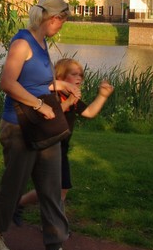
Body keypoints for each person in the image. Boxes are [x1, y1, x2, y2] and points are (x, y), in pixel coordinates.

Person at [0, 0, 84, 250]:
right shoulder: (22, 43)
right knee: (14, 184)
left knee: (51, 188)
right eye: (62, 21)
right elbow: (8, 82)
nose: (62, 26)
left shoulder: (41, 43)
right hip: (18, 125)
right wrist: (39, 105)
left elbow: (37, 82)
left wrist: (61, 85)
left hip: (42, 125)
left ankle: (54, 249)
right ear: (52, 19)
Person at [14, 58, 114, 225]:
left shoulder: (71, 97)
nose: (79, 78)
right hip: (48, 147)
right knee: (53, 190)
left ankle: (21, 204)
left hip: (62, 148)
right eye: (73, 74)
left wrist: (102, 96)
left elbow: (89, 112)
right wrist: (68, 102)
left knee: (61, 189)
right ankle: (55, 225)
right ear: (60, 77)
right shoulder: (52, 95)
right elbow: (50, 114)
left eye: (80, 75)